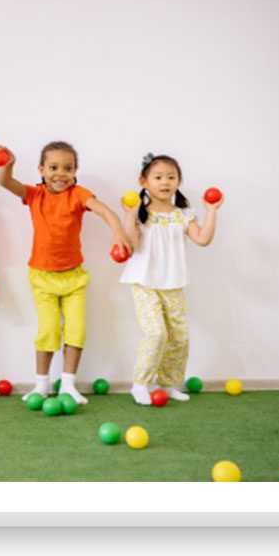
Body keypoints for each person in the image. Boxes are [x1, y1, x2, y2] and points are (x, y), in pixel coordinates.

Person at [0, 141, 132, 405]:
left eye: (68, 168)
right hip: (42, 277)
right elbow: (5, 182)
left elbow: (104, 210)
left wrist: (118, 231)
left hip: (73, 278)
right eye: (54, 167)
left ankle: (68, 384)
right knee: (48, 331)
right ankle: (42, 385)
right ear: (42, 169)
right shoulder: (35, 195)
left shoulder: (78, 194)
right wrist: (8, 165)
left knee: (76, 330)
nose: (61, 173)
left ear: (75, 170)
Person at [119, 153, 223, 405]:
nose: (165, 182)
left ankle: (166, 384)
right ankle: (140, 383)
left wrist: (211, 211)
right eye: (158, 177)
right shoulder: (141, 212)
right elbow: (131, 244)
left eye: (171, 177)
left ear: (178, 181)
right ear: (144, 181)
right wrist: (130, 215)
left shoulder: (183, 214)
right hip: (144, 282)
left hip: (173, 283)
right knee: (156, 334)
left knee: (179, 336)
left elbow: (203, 239)